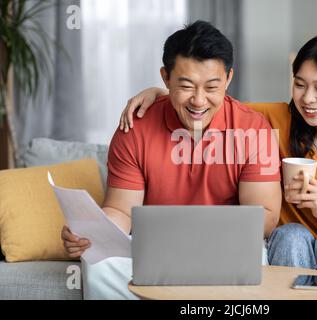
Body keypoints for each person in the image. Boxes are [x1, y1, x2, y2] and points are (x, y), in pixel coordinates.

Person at [119, 33, 317, 300]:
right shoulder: (276, 119)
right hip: (302, 246)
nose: (308, 98)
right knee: (289, 234)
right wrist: (162, 93)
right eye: (300, 85)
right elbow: (210, 102)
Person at [61, 20, 282, 300]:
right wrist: (92, 233)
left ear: (228, 79)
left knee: (257, 265)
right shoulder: (135, 127)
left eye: (212, 87)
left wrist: (198, 233)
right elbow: (122, 211)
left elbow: (263, 217)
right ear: (165, 78)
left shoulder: (252, 129)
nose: (199, 101)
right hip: (154, 250)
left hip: (226, 248)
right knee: (100, 266)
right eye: (186, 86)